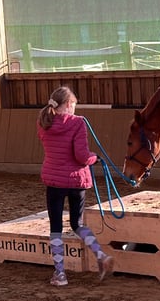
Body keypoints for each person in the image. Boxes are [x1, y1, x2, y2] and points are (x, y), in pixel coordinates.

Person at [37, 86, 114, 286]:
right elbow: (81, 156)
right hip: (76, 180)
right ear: (70, 104)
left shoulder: (44, 123)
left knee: (55, 227)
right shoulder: (78, 123)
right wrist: (94, 158)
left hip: (54, 180)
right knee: (77, 224)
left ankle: (60, 274)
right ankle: (101, 255)